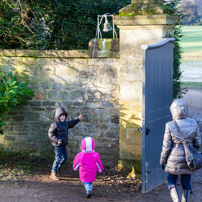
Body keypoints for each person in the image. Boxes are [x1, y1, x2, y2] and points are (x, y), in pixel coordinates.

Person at [160, 99, 201, 202]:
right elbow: (198, 143)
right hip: (189, 158)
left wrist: (163, 160)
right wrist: (196, 153)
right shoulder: (193, 122)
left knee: (171, 181)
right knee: (186, 183)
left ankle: (176, 200)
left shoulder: (170, 125)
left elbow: (166, 146)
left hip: (174, 158)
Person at [48, 107, 83, 180]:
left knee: (64, 158)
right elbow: (50, 134)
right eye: (60, 116)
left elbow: (71, 123)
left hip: (63, 145)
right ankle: (53, 173)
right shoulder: (54, 125)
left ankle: (57, 168)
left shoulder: (65, 124)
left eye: (63, 116)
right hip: (57, 145)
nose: (62, 117)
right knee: (57, 158)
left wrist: (78, 119)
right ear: (57, 116)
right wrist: (57, 140)